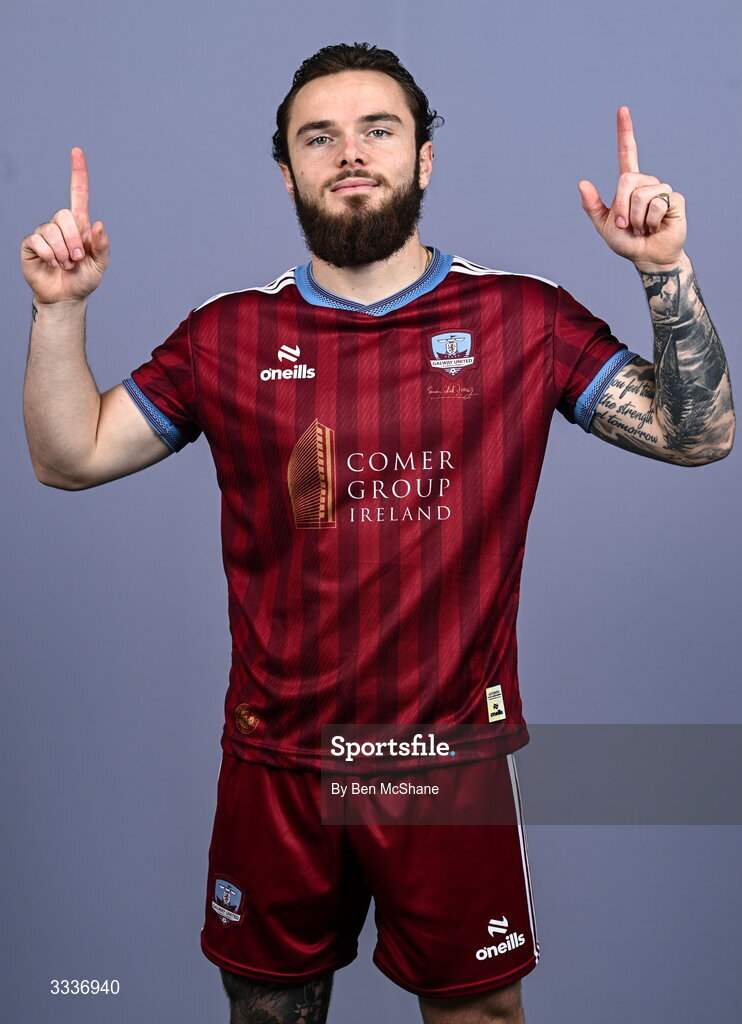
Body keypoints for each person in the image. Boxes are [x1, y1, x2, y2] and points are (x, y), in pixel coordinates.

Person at [21, 41, 734, 1024]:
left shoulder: (520, 319)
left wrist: (665, 273)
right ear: (288, 170)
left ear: (423, 158)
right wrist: (60, 312)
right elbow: (70, 457)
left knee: (477, 1012)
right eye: (320, 136)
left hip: (445, 765)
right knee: (270, 1009)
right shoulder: (227, 335)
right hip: (276, 759)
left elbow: (698, 438)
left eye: (377, 130)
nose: (349, 153)